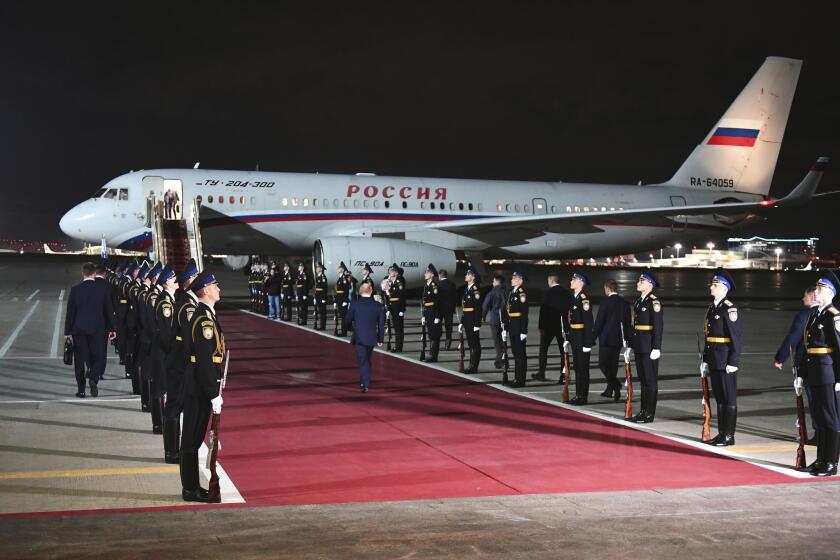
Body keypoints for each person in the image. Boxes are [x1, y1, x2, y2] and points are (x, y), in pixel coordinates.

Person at [180, 270, 225, 502]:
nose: (218, 289)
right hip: (200, 385)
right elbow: (205, 359)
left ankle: (192, 486)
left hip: (200, 382)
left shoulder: (205, 314)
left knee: (195, 438)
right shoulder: (204, 319)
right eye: (214, 285)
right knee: (191, 439)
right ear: (205, 290)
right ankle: (189, 489)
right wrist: (212, 393)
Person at [796, 271, 840, 476]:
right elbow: (807, 347)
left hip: (828, 373)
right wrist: (801, 373)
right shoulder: (815, 315)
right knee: (820, 418)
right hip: (815, 372)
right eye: (816, 289)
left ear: (830, 293)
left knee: (831, 419)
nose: (815, 292)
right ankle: (820, 459)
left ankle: (831, 463)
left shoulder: (834, 316)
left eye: (820, 289)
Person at [163, 258, 199, 464]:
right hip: (179, 364)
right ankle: (171, 451)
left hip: (179, 362)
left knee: (177, 405)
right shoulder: (187, 305)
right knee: (175, 405)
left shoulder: (188, 302)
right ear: (190, 281)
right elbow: (188, 339)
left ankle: (172, 449)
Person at [701, 267, 742, 446]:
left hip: (725, 360)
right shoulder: (712, 308)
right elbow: (708, 336)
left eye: (715, 284)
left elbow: (736, 337)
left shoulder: (729, 309)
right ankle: (721, 433)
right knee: (719, 398)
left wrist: (733, 361)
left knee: (728, 398)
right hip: (714, 359)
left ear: (724, 288)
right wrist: (705, 358)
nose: (711, 286)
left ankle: (729, 435)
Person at [64, 262, 116, 398]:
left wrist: (67, 331)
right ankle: (93, 377)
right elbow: (108, 311)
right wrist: (112, 328)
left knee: (79, 361)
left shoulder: (75, 290)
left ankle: (81, 390)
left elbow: (71, 313)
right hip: (98, 329)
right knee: (98, 357)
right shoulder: (102, 289)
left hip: (79, 330)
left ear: (83, 273)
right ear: (94, 274)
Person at [774, 286, 819, 444]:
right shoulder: (830, 314)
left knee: (815, 401)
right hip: (829, 366)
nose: (802, 299)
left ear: (813, 296)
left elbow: (792, 339)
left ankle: (820, 434)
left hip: (809, 366)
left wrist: (780, 357)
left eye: (805, 296)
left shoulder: (804, 315)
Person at [631, 271, 664, 423]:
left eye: (641, 281)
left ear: (649, 284)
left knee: (650, 381)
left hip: (649, 346)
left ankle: (649, 413)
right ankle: (643, 411)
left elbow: (658, 326)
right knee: (643, 381)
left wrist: (656, 347)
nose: (638, 283)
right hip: (639, 345)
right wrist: (631, 344)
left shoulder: (654, 302)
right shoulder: (639, 301)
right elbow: (635, 325)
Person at [593, 279, 633, 401]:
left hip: (606, 338)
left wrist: (592, 337)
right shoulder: (625, 303)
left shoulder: (605, 303)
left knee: (603, 364)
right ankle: (610, 390)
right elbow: (628, 323)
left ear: (608, 289)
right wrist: (628, 339)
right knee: (613, 365)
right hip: (618, 338)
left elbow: (599, 322)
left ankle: (616, 384)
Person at [153, 264, 179, 441]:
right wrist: (173, 352)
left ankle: (165, 428)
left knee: (165, 389)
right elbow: (166, 332)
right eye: (174, 278)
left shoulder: (169, 299)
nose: (177, 280)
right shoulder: (165, 303)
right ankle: (166, 432)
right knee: (164, 389)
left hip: (164, 351)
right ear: (167, 282)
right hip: (164, 352)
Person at [344, 282, 385, 392]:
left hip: (359, 336)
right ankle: (364, 380)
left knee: (363, 360)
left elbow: (347, 320)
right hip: (371, 337)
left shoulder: (355, 304)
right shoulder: (378, 305)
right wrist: (380, 338)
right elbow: (381, 324)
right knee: (366, 359)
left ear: (361, 291)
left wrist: (350, 329)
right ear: (371, 291)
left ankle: (365, 383)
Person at [534, 274, 573, 382]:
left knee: (543, 350)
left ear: (551, 281)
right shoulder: (567, 293)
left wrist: (541, 325)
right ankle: (564, 375)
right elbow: (570, 311)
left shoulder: (547, 292)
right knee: (564, 352)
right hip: (562, 326)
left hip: (549, 326)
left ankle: (541, 373)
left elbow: (543, 310)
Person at [566, 271, 595, 405]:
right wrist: (568, 336)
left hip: (582, 338)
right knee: (577, 367)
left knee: (583, 368)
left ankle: (583, 396)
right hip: (575, 337)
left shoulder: (584, 299)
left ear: (580, 283)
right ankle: (578, 395)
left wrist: (588, 342)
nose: (571, 282)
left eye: (574, 280)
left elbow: (589, 322)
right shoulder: (574, 297)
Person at [504, 271, 529, 387]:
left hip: (519, 328)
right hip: (512, 327)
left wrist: (524, 331)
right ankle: (516, 378)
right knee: (515, 354)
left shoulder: (521, 293)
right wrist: (505, 327)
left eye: (514, 278)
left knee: (520, 355)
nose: (512, 280)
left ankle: (520, 380)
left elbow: (524, 313)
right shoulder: (512, 293)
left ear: (520, 280)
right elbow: (507, 311)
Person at [459, 267, 482, 373]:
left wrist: (477, 324)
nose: (465, 276)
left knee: (474, 344)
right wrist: (462, 322)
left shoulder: (475, 290)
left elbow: (478, 308)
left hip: (473, 321)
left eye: (468, 274)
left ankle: (473, 366)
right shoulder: (467, 289)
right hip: (467, 320)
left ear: (472, 277)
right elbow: (465, 308)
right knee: (470, 344)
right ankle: (470, 365)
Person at [482, 274, 507, 369]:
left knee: (497, 340)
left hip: (495, 319)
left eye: (493, 281)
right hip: (505, 319)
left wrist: (483, 316)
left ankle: (499, 359)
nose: (492, 283)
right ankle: (504, 356)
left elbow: (485, 305)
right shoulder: (506, 291)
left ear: (497, 281)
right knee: (503, 339)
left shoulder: (492, 292)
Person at [421, 264, 443, 362]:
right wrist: (424, 316)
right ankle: (431, 354)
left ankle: (433, 356)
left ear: (431, 274)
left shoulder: (434, 286)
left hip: (434, 313)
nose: (425, 274)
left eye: (427, 273)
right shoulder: (426, 286)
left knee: (434, 335)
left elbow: (438, 302)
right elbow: (425, 303)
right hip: (428, 313)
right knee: (430, 334)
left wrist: (437, 316)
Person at [385, 264, 405, 351]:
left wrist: (402, 309)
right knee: (395, 327)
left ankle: (399, 346)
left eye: (392, 271)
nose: (391, 272)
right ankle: (396, 345)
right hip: (393, 307)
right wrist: (388, 307)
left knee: (399, 328)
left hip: (398, 307)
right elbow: (390, 297)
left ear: (396, 273)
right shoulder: (392, 283)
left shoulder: (399, 282)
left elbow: (402, 296)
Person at [437, 269, 457, 350]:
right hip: (449, 309)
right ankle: (447, 344)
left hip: (440, 308)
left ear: (440, 275)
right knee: (448, 327)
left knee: (438, 325)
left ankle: (437, 342)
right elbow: (455, 297)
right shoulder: (452, 284)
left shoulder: (438, 284)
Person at [334, 262, 353, 336]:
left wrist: (345, 300)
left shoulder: (344, 278)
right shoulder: (340, 278)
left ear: (342, 269)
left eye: (339, 268)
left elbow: (346, 290)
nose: (338, 269)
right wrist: (335, 301)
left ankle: (344, 332)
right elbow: (338, 291)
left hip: (343, 299)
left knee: (343, 316)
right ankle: (343, 331)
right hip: (339, 299)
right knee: (342, 316)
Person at [313, 262, 328, 330]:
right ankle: (320, 325)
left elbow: (325, 289)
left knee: (322, 312)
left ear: (321, 269)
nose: (316, 268)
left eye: (318, 267)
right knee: (319, 311)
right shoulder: (318, 277)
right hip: (318, 296)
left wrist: (324, 298)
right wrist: (315, 297)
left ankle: (322, 326)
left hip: (322, 297)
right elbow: (316, 288)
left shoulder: (323, 277)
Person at [295, 261, 311, 326]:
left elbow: (305, 285)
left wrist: (305, 294)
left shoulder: (304, 275)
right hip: (299, 292)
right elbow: (298, 285)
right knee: (300, 307)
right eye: (299, 266)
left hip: (303, 293)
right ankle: (301, 319)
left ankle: (304, 321)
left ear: (303, 268)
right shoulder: (299, 275)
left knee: (304, 308)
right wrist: (297, 294)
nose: (298, 267)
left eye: (300, 266)